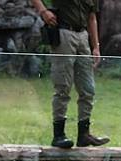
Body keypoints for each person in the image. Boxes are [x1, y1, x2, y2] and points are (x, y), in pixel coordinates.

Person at [31, 0, 109, 148]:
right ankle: (59, 135)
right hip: (64, 33)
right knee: (63, 86)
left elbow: (92, 18)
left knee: (88, 89)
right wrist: (43, 11)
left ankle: (84, 135)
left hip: (83, 36)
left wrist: (96, 47)